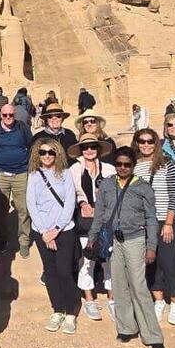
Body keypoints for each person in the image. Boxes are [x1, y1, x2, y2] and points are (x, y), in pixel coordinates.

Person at [86, 146, 164, 348]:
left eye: (127, 164)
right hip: (114, 240)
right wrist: (92, 238)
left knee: (138, 285)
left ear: (133, 165)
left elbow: (151, 219)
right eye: (119, 164)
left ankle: (152, 335)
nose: (122, 168)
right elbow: (99, 214)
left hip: (135, 240)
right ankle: (127, 327)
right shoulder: (107, 184)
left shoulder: (143, 187)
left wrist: (151, 247)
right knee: (119, 285)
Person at [28, 138, 80, 333]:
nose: (47, 156)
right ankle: (57, 309)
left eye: (51, 152)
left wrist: (55, 230)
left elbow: (70, 203)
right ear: (38, 154)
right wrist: (44, 232)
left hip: (63, 230)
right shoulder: (33, 175)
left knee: (64, 271)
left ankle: (71, 312)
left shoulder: (65, 174)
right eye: (43, 152)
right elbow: (31, 204)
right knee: (50, 272)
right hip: (41, 231)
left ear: (57, 154)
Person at [137, 123, 175, 326]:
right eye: (142, 141)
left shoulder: (166, 164)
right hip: (143, 223)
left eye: (150, 141)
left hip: (164, 220)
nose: (146, 145)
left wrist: (168, 222)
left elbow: (174, 194)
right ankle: (158, 300)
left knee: (169, 261)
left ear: (156, 143)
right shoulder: (134, 165)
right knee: (151, 262)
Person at [67, 133, 112, 321]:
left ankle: (112, 298)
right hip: (85, 220)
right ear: (81, 150)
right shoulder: (74, 170)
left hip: (106, 219)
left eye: (93, 146)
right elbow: (70, 193)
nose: (89, 150)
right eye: (85, 147)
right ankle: (89, 299)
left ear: (99, 149)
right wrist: (82, 203)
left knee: (109, 259)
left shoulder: (109, 169)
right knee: (87, 261)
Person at [0, 103, 33, 257]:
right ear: (1, 115)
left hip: (20, 173)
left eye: (10, 115)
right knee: (1, 209)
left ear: (14, 115)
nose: (8, 118)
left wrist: (24, 162)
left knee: (23, 209)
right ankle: (3, 240)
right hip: (1, 174)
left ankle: (24, 241)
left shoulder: (22, 128)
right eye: (5, 115)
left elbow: (30, 145)